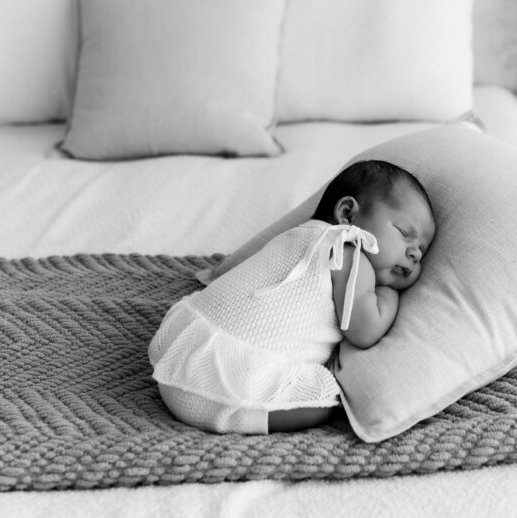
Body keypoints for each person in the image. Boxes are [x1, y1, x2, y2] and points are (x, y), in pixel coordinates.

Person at [149, 160, 436, 434]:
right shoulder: (348, 252)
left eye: (422, 250)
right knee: (328, 402)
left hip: (178, 354)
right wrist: (389, 293)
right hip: (229, 388)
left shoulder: (293, 236)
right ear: (348, 215)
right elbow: (365, 330)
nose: (414, 253)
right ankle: (249, 419)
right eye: (404, 233)